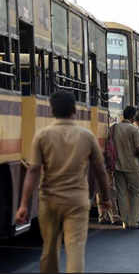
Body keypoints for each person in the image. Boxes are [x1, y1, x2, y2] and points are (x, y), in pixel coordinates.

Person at [15, 90, 112, 273]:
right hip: (77, 201)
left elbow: (33, 171)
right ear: (74, 109)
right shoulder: (86, 136)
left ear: (51, 110)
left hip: (49, 201)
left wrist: (23, 205)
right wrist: (106, 198)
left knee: (49, 249)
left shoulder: (42, 136)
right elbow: (100, 170)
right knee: (75, 249)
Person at [113, 106, 139, 230]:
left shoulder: (114, 128)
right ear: (133, 116)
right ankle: (133, 221)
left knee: (121, 193)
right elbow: (138, 151)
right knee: (137, 191)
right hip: (131, 166)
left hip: (117, 165)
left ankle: (124, 220)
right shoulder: (133, 130)